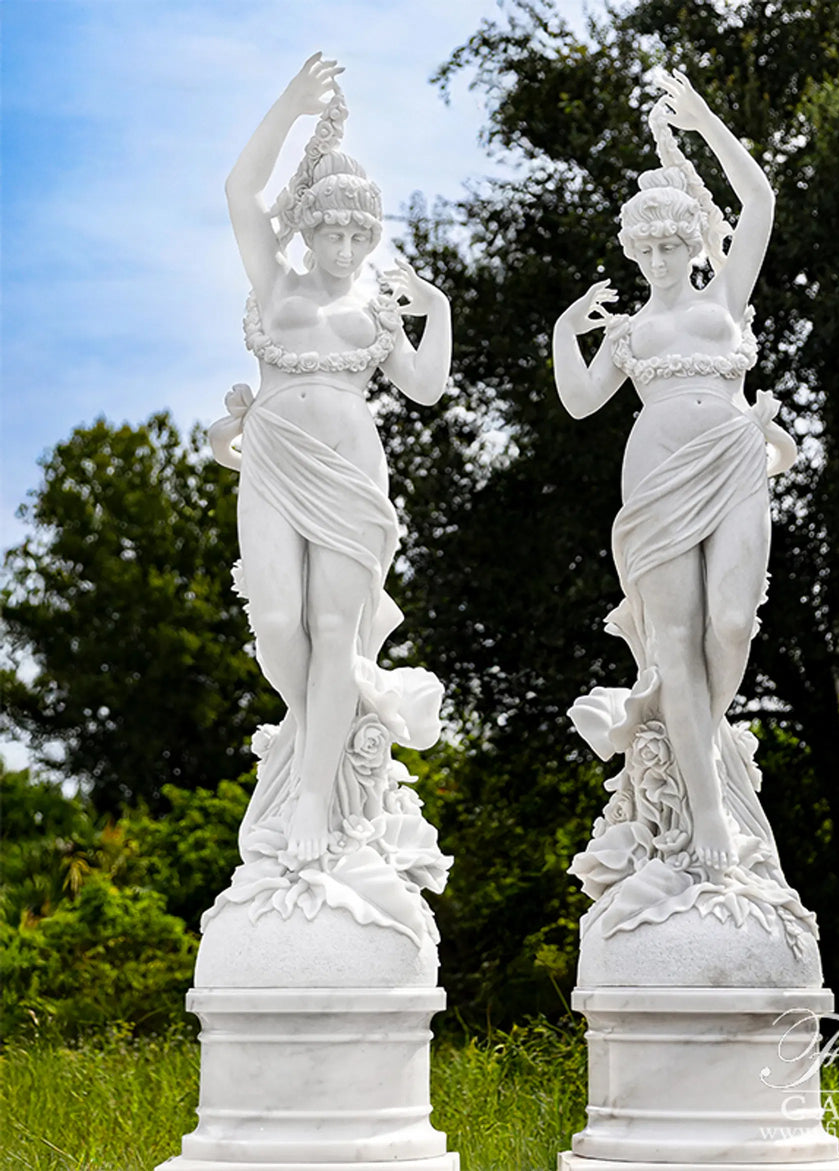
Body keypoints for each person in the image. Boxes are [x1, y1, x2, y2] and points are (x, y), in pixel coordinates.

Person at [209, 54, 451, 864]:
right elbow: (241, 191)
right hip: (275, 462)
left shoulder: (375, 308)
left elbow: (425, 386)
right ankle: (318, 728)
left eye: (359, 234)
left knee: (334, 630)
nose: (346, 247)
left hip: (353, 476)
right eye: (333, 232)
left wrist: (438, 312)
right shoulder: (275, 283)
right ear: (307, 230)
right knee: (278, 622)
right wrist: (290, 106)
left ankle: (314, 794)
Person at [553, 68, 795, 873]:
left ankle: (697, 739)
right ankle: (705, 804)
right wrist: (564, 335)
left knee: (733, 625)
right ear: (632, 250)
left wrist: (703, 123)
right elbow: (581, 401)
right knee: (677, 640)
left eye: (670, 245)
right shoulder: (629, 332)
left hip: (732, 462)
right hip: (655, 480)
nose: (658, 258)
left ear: (693, 244)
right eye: (646, 247)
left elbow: (758, 200)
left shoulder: (724, 299)